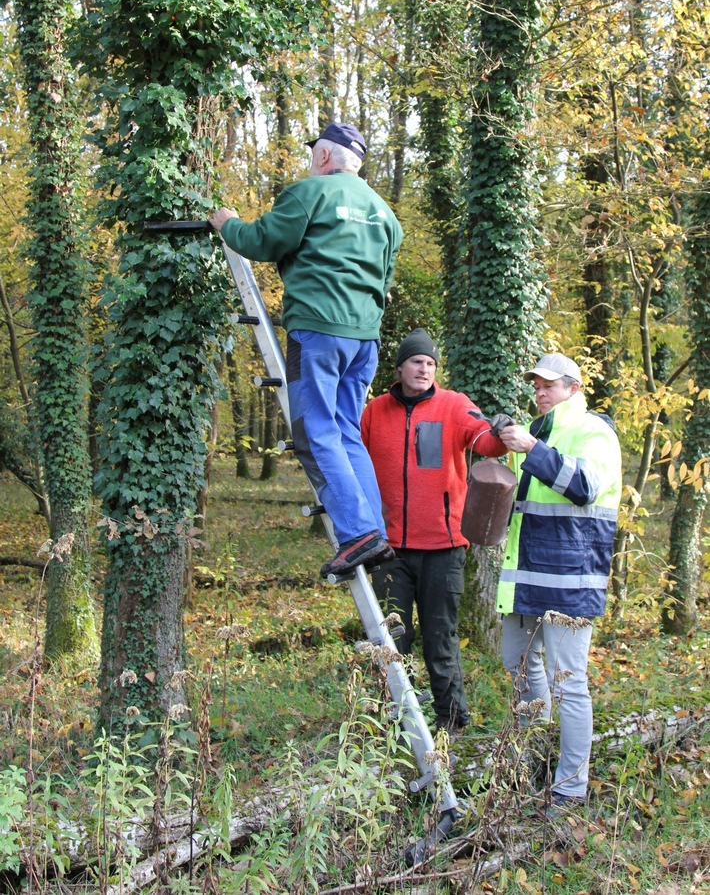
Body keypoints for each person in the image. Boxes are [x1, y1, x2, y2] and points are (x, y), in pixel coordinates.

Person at [209, 123, 403, 579]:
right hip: (365, 339)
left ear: (322, 157)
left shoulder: (309, 193)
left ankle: (357, 533)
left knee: (315, 431)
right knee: (346, 432)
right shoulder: (386, 215)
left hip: (317, 330)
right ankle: (373, 529)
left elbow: (262, 241)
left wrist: (227, 224)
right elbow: (385, 280)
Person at [362, 328, 510, 733]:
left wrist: (499, 432)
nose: (424, 369)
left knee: (440, 639)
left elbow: (485, 441)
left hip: (444, 548)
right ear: (400, 368)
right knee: (393, 640)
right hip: (388, 549)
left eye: (430, 363)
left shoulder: (453, 405)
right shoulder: (375, 411)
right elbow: (353, 456)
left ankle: (452, 720)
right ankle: (394, 722)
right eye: (416, 362)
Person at [495, 352, 622, 812]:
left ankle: (570, 786)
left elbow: (585, 486)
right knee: (518, 665)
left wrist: (531, 449)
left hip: (571, 580)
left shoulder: (594, 431)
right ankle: (536, 756)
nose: (539, 391)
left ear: (573, 387)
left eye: (549, 384)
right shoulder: (541, 432)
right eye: (536, 384)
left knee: (568, 682)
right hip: (526, 577)